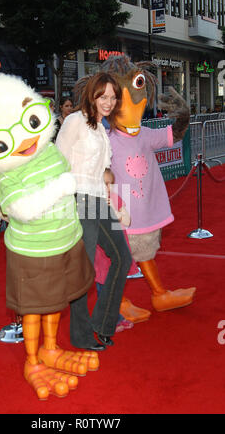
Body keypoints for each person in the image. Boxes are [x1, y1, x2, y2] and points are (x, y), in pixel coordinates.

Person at [56, 72, 132, 350]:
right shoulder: (75, 121)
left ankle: (102, 323)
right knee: (83, 272)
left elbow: (104, 173)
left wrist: (115, 203)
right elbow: (59, 161)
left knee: (122, 258)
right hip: (79, 199)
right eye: (104, 96)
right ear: (92, 94)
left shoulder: (102, 128)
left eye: (113, 97)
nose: (109, 101)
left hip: (100, 201)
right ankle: (81, 334)